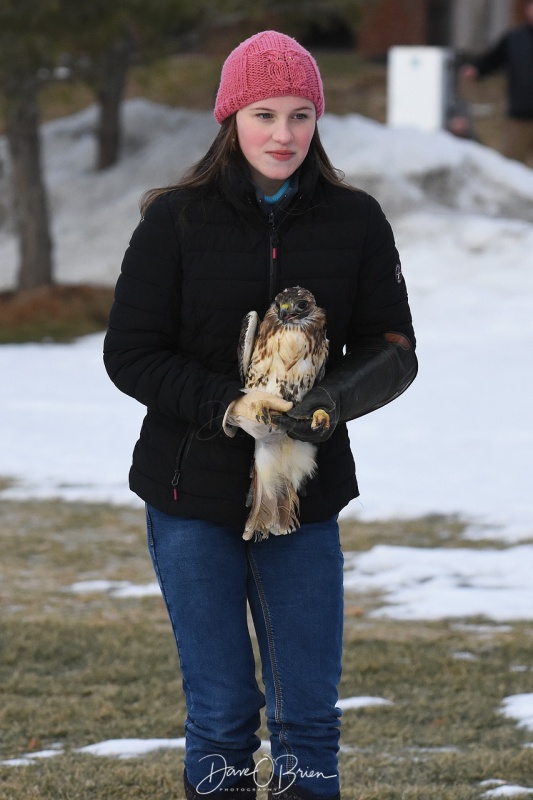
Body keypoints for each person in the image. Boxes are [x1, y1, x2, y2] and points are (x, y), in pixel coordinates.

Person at [104, 30, 417, 800]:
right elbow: (131, 353)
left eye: (301, 115)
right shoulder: (174, 221)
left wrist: (327, 404)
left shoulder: (354, 220)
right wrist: (227, 405)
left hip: (302, 498)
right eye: (264, 114)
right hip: (189, 497)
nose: (283, 135)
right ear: (229, 119)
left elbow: (393, 348)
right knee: (221, 716)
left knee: (307, 718)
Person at [460, 0, 533, 164]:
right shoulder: (514, 38)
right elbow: (493, 58)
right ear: (527, 10)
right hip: (519, 115)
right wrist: (476, 69)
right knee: (513, 165)